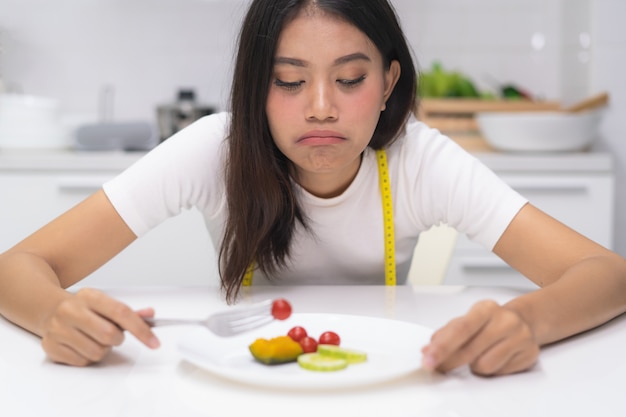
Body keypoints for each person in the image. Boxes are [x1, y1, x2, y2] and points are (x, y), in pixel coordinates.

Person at [1, 0, 626, 376]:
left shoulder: (421, 160)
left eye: (350, 79)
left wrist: (525, 321)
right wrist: (55, 312)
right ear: (254, 88)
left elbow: (607, 273)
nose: (321, 108)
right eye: (289, 81)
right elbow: (17, 267)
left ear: (387, 84)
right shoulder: (213, 150)